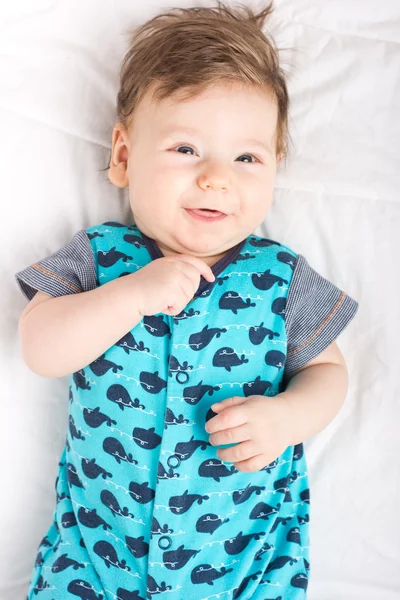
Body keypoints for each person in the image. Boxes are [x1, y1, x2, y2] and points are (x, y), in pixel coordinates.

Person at [15, 2, 359, 598]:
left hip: (244, 560)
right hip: (96, 557)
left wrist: (288, 418)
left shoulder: (281, 278)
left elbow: (329, 373)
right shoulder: (101, 258)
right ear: (123, 156)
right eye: (185, 149)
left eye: (246, 158)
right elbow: (40, 347)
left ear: (275, 169)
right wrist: (128, 296)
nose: (216, 178)